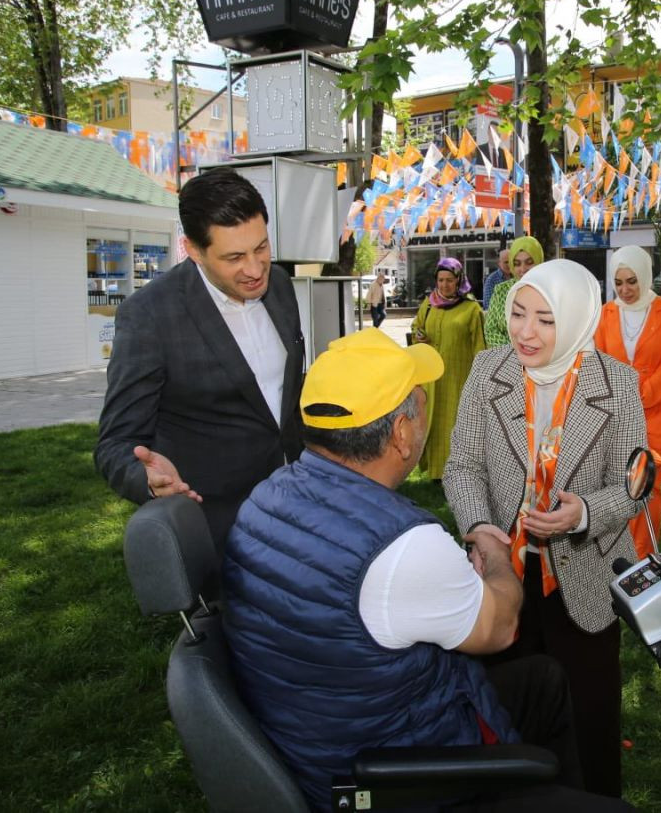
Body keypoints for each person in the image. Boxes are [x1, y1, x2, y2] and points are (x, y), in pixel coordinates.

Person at [222, 329, 633, 812]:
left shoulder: (264, 498)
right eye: (419, 405)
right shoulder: (403, 545)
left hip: (321, 735)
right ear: (400, 433)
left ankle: (546, 793)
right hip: (396, 779)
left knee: (541, 680)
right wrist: (495, 552)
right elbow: (500, 628)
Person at [444, 260, 647, 800]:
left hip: (585, 579)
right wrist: (483, 531)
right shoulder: (489, 371)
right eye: (517, 314)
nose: (526, 332)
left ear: (579, 320)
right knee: (508, 710)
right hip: (502, 577)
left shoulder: (617, 383)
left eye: (546, 319)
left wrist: (581, 513)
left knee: (588, 716)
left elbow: (633, 485)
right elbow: (462, 466)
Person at [94, 167, 304, 552]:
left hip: (295, 506)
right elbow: (116, 442)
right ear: (193, 249)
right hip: (219, 526)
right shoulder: (150, 315)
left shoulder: (281, 287)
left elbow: (286, 399)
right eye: (235, 257)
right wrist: (145, 479)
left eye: (261, 247)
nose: (256, 269)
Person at [594, 246, 661, 558]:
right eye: (618, 282)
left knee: (648, 489)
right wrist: (622, 398)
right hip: (616, 417)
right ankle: (616, 558)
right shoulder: (606, 313)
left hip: (658, 415)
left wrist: (641, 394)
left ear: (645, 276)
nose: (625, 289)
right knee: (618, 487)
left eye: (631, 281)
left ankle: (644, 558)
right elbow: (599, 361)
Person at [411, 257, 486, 479]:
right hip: (433, 379)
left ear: (459, 280)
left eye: (450, 280)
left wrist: (478, 380)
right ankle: (436, 473)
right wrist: (419, 335)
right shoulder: (429, 303)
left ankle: (456, 472)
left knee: (455, 425)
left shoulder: (471, 309)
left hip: (458, 378)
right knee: (433, 423)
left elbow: (480, 346)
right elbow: (417, 326)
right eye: (441, 280)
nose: (444, 285)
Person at [484, 235, 544, 347]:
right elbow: (491, 330)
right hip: (507, 359)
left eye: (529, 262)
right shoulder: (501, 290)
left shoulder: (550, 291)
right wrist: (515, 353)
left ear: (539, 261)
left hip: (544, 359)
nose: (523, 269)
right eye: (517, 264)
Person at [482, 244, 511, 310]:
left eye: (510, 261)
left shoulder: (517, 276)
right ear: (499, 263)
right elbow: (488, 304)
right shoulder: (491, 280)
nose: (509, 264)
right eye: (506, 262)